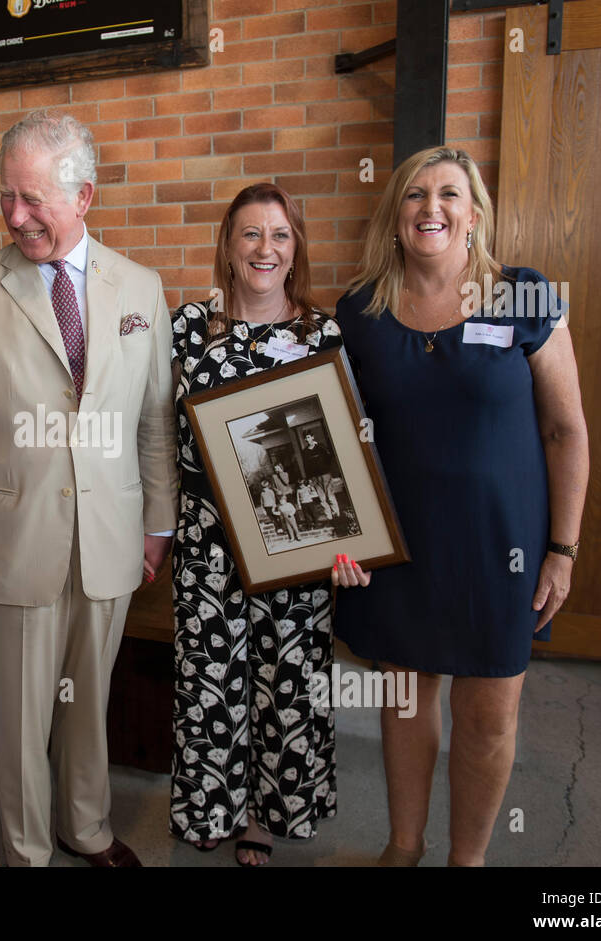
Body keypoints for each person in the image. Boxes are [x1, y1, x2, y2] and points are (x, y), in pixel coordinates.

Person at [0, 109, 178, 867]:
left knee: (88, 707)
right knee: (23, 717)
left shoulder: (142, 287)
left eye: (33, 198)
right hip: (10, 544)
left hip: (111, 541)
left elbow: (156, 421)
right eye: (7, 196)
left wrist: (158, 521)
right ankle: (28, 851)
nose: (16, 215)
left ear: (85, 197)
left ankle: (88, 827)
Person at [335, 146, 588, 866]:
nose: (431, 208)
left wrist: (562, 552)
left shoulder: (525, 296)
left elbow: (566, 431)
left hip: (500, 547)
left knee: (488, 713)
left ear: (474, 213)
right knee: (407, 701)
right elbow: (338, 436)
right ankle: (403, 846)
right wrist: (340, 537)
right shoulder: (361, 310)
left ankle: (466, 858)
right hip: (401, 545)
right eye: (415, 195)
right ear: (395, 215)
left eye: (449, 193)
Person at [169, 181, 369, 866]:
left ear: (295, 249)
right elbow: (156, 432)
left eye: (279, 235)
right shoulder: (187, 326)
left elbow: (349, 441)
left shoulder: (321, 332)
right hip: (207, 530)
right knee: (210, 674)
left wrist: (354, 538)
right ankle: (212, 805)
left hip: (295, 531)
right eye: (250, 233)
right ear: (227, 245)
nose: (265, 248)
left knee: (282, 676)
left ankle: (260, 815)